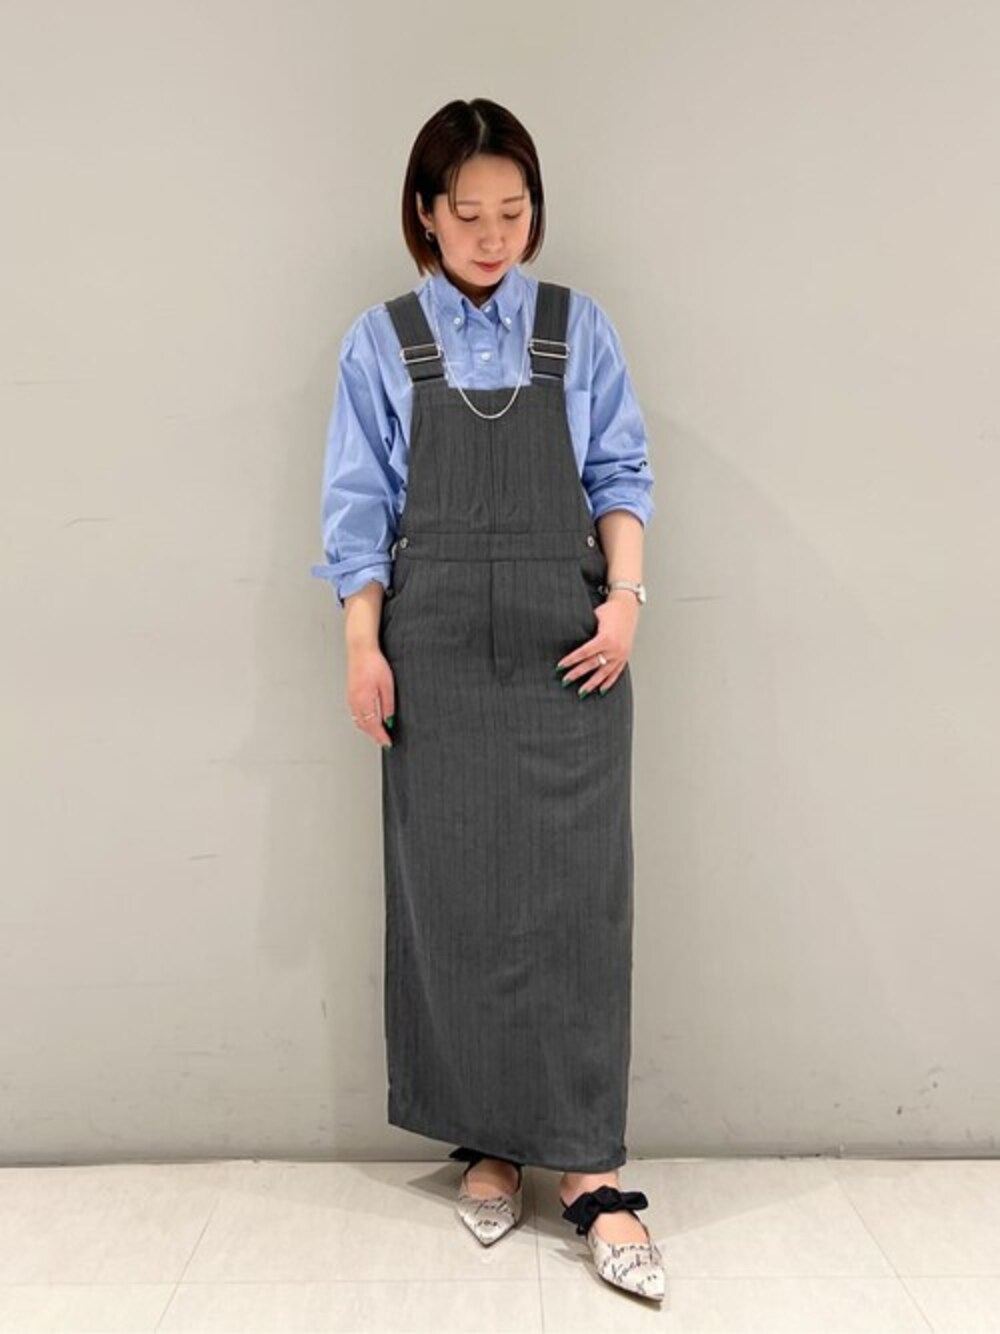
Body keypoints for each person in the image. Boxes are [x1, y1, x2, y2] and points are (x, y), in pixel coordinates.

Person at [310, 98, 664, 1302]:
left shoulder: (576, 329)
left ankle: (591, 1168)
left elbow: (619, 471)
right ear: (425, 213)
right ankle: (492, 1142)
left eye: (513, 212)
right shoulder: (381, 342)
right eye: (467, 213)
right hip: (437, 647)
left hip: (571, 642)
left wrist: (625, 602)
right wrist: (362, 645)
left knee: (576, 905)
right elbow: (358, 510)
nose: (492, 235)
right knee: (453, 895)